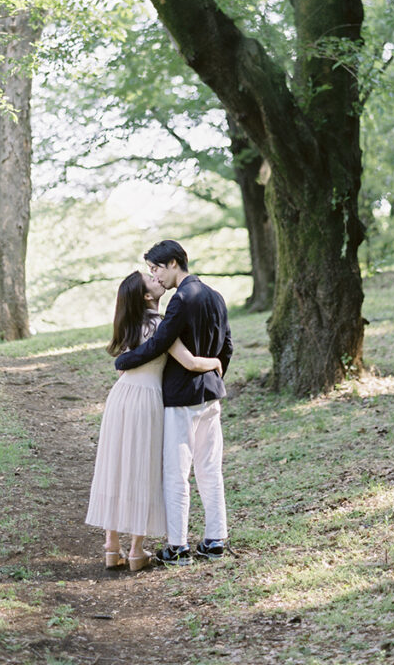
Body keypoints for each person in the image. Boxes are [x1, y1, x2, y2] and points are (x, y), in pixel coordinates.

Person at [85, 270, 222, 572]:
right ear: (147, 296)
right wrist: (215, 362)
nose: (157, 278)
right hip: (147, 400)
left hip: (121, 397)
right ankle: (136, 550)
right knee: (143, 468)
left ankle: (111, 545)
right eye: (151, 279)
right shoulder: (160, 326)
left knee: (116, 465)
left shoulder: (128, 324)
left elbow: (122, 369)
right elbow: (189, 362)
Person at [115, 240, 233, 566]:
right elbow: (227, 347)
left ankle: (178, 547)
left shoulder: (181, 299)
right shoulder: (216, 296)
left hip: (181, 398)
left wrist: (123, 361)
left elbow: (159, 343)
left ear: (173, 263)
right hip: (211, 395)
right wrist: (215, 372)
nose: (155, 276)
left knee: (176, 473)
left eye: (156, 268)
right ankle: (215, 540)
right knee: (209, 469)